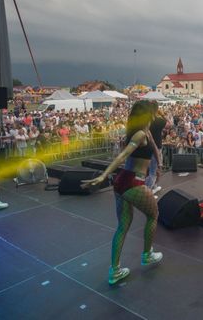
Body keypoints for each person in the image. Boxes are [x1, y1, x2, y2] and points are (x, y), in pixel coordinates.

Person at [82, 101, 163, 285]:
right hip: (133, 182)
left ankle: (115, 271)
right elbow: (122, 156)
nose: (154, 116)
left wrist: (158, 165)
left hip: (121, 182)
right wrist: (103, 175)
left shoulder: (143, 131)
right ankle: (147, 254)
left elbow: (153, 146)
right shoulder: (140, 134)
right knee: (153, 214)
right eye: (152, 113)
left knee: (123, 227)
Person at [145, 102, 166, 198]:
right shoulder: (159, 121)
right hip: (156, 147)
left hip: (147, 147)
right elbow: (169, 124)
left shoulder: (146, 121)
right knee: (153, 171)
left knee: (151, 170)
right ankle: (147, 193)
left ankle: (153, 186)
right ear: (157, 109)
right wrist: (162, 114)